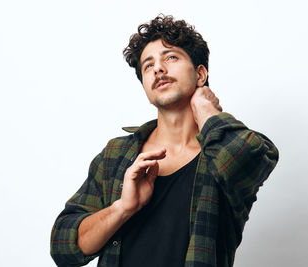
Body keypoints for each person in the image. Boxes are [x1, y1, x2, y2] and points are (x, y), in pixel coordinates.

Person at [50, 14, 279, 267]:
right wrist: (122, 208)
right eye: (148, 65)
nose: (158, 68)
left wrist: (205, 109)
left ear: (200, 74)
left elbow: (250, 160)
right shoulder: (117, 154)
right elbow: (63, 246)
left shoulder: (226, 149)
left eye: (171, 57)